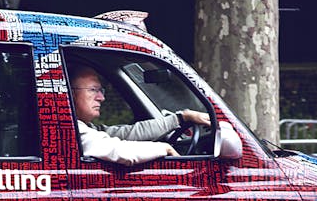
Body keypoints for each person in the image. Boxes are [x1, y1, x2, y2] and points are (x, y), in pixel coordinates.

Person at [71, 65, 214, 166]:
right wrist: (164, 148)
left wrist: (181, 118)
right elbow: (118, 150)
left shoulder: (85, 128)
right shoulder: (70, 129)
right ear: (70, 94)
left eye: (100, 90)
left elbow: (125, 134)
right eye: (93, 90)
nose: (101, 97)